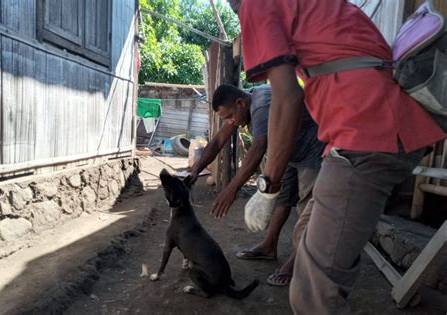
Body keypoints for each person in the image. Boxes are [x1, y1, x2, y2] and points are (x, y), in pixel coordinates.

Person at [229, 0, 446, 314]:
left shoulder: (258, 4)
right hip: (380, 130)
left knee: (311, 296)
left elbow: (287, 96)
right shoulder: (319, 5)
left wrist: (268, 187)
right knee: (310, 245)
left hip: (362, 135)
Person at [187, 83, 324, 286]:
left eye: (230, 116)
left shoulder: (260, 106)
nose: (230, 122)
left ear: (240, 103)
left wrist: (231, 189)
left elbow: (259, 147)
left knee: (308, 211)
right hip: (288, 152)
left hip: (312, 149)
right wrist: (196, 170)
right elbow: (217, 142)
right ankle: (269, 247)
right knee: (282, 199)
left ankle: (297, 262)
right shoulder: (243, 103)